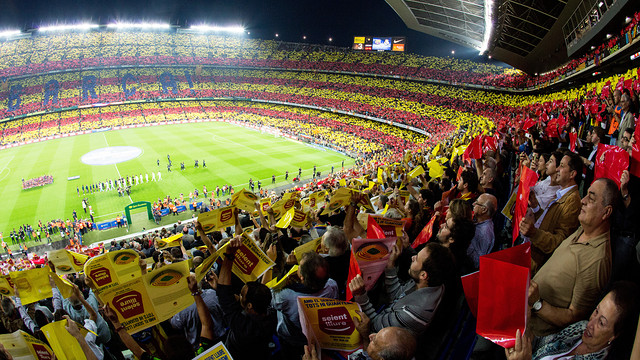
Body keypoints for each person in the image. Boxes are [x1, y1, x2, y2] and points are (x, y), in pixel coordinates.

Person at [528, 178, 618, 337]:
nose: (582, 201)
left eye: (591, 198)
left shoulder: (597, 260)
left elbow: (575, 317)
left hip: (535, 336)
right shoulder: (582, 230)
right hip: (525, 320)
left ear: (606, 212)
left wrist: (537, 304)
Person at [506, 281, 640, 360]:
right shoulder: (581, 328)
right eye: (597, 311)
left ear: (614, 335)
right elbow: (540, 344)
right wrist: (525, 324)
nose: (591, 323)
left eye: (601, 323)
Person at [349, 242, 454, 336]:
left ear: (423, 275)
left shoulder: (412, 314)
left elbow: (374, 325)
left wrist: (360, 295)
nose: (412, 257)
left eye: (416, 258)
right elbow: (397, 296)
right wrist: (390, 267)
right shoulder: (433, 284)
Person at [215, 236, 277, 359]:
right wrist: (270, 262)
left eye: (242, 295)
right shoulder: (270, 315)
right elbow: (262, 292)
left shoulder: (242, 327)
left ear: (249, 306)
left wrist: (230, 256)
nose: (239, 295)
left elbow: (224, 293)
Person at [521, 152, 582, 272]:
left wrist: (534, 233)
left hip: (539, 265)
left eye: (562, 166)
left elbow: (559, 242)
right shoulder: (562, 194)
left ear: (572, 174)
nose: (557, 169)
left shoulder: (573, 203)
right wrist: (535, 206)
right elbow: (548, 223)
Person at [468, 193, 497, 268]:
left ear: (484, 209)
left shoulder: (485, 233)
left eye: (477, 202)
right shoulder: (478, 222)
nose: (473, 204)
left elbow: (477, 262)